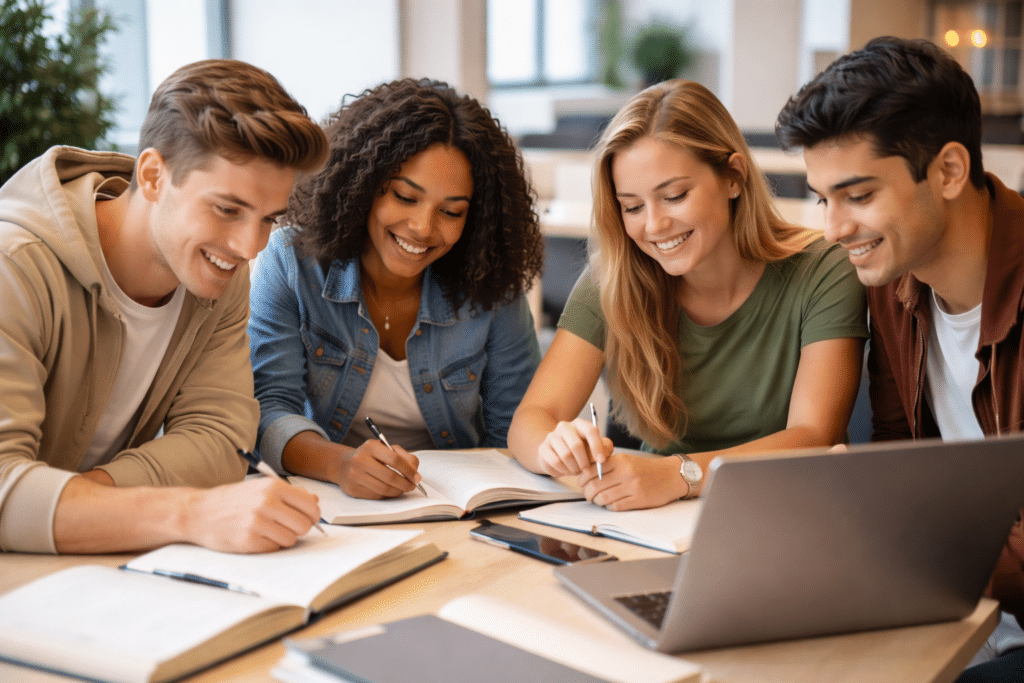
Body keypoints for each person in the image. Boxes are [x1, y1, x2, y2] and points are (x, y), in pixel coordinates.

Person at [0, 59, 330, 555]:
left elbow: (220, 440)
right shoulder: (14, 267)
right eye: (227, 209)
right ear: (153, 175)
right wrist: (187, 513)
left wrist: (88, 505)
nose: (249, 248)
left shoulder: (217, 274)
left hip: (84, 566)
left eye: (268, 219)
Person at [776, 35, 1024, 682]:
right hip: (955, 603)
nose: (832, 230)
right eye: (822, 197)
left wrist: (881, 536)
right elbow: (896, 449)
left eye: (857, 196)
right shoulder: (893, 282)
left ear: (947, 170)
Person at [507, 79, 867, 511]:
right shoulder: (613, 278)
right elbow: (529, 422)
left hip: (790, 508)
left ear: (733, 177)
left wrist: (681, 474)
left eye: (674, 196)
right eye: (633, 207)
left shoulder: (823, 270)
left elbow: (813, 435)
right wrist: (556, 447)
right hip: (656, 514)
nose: (655, 226)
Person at [249, 78, 544, 500]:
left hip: (456, 506)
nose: (423, 228)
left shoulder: (490, 281)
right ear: (362, 185)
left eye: (451, 211)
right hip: (329, 498)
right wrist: (340, 464)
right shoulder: (293, 263)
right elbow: (268, 408)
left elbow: (516, 425)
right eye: (406, 197)